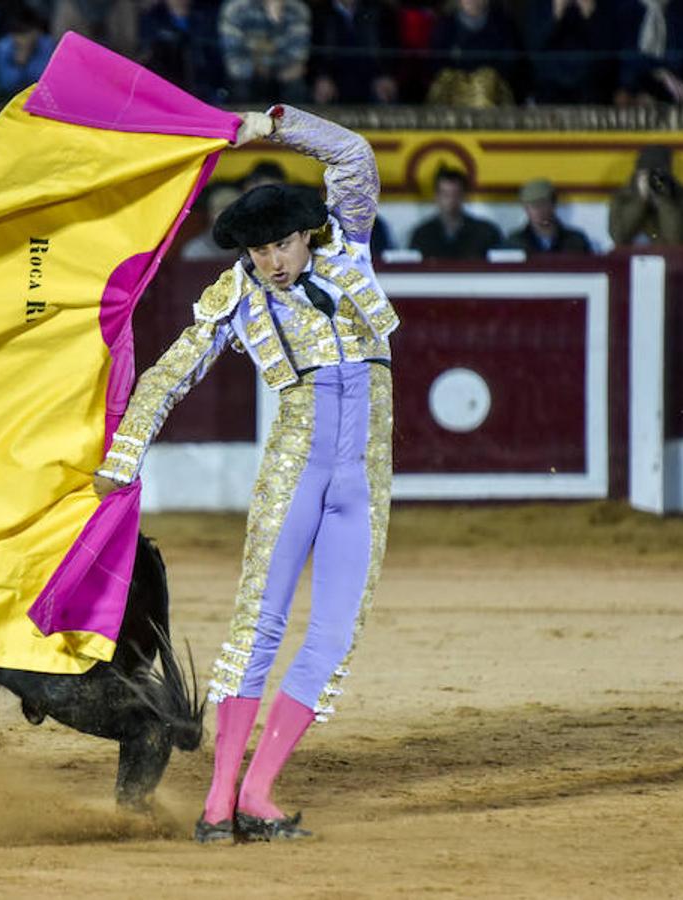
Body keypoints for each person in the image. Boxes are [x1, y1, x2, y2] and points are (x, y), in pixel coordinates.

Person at [94, 105, 397, 844]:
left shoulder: (349, 253)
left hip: (364, 477)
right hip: (296, 467)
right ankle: (218, 800)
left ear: (307, 233)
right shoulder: (238, 295)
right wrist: (123, 457)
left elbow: (353, 156)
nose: (270, 261)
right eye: (258, 250)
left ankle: (259, 790)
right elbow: (168, 376)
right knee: (257, 627)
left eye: (280, 245)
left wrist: (276, 126)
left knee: (333, 635)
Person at [218, 0, 313, 103]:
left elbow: (296, 59)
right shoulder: (235, 8)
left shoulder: (298, 9)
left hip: (282, 79)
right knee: (240, 87)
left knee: (296, 87)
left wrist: (276, 21)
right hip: (248, 77)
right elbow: (234, 62)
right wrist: (266, 63)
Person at [309, 0, 400, 105]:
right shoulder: (318, 13)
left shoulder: (381, 11)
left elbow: (392, 49)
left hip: (373, 77)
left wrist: (386, 75)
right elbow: (312, 53)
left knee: (386, 95)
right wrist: (321, 76)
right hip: (333, 77)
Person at [137, 0, 225, 103]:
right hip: (167, 91)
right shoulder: (151, 17)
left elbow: (216, 55)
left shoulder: (210, 13)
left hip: (207, 89)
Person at [608, 144, 683, 246]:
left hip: (669, 258)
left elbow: (676, 238)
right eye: (647, 173)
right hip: (630, 257)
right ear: (638, 174)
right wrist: (640, 200)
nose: (653, 179)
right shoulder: (622, 196)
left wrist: (662, 199)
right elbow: (618, 237)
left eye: (658, 174)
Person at [407, 167, 502, 259]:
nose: (451, 200)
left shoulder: (485, 233)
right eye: (445, 194)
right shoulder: (422, 235)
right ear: (436, 197)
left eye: (456, 194)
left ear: (464, 196)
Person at [503, 178, 592, 253]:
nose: (539, 210)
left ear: (554, 204)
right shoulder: (514, 243)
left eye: (543, 203)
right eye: (534, 205)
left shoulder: (575, 242)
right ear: (526, 209)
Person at [0, 4, 55, 96]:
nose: (22, 40)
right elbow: (6, 85)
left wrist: (28, 54)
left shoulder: (48, 44)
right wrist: (20, 65)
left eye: (26, 33)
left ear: (37, 31)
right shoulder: (3, 47)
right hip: (11, 98)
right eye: (17, 34)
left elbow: (46, 81)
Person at [180, 182, 242, 260]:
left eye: (236, 210)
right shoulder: (196, 250)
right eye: (222, 208)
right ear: (211, 214)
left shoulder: (253, 246)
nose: (230, 216)